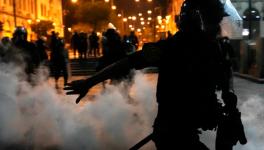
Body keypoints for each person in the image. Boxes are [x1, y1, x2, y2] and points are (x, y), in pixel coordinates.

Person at [64, 0, 247, 149]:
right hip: (172, 135)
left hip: (190, 130)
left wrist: (229, 100)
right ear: (197, 20)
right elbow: (127, 63)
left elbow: (224, 77)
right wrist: (90, 82)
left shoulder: (212, 50)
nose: (217, 27)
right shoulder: (171, 48)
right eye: (213, 21)